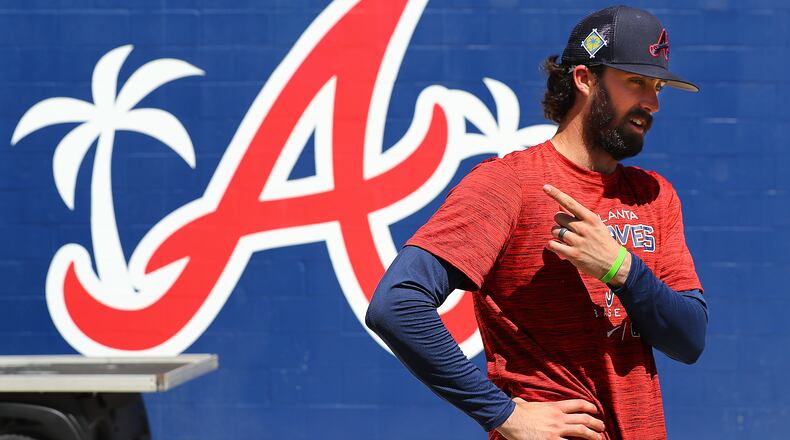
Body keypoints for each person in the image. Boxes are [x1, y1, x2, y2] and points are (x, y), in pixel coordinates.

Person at [365, 5, 709, 440]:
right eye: (635, 83)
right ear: (585, 79)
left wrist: (620, 268)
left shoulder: (655, 195)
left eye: (658, 87)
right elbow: (397, 305)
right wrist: (503, 414)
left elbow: (689, 338)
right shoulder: (509, 184)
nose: (652, 103)